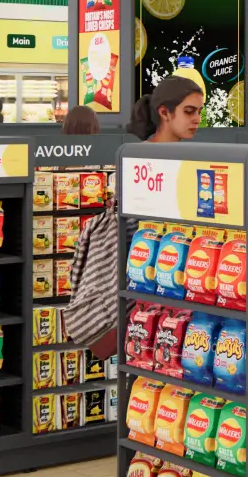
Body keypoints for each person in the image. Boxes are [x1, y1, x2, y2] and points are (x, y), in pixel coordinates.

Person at [63, 76, 203, 357]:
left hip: (183, 286)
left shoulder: (191, 157)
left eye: (200, 111)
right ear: (164, 112)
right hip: (149, 289)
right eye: (189, 111)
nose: (197, 119)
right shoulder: (141, 160)